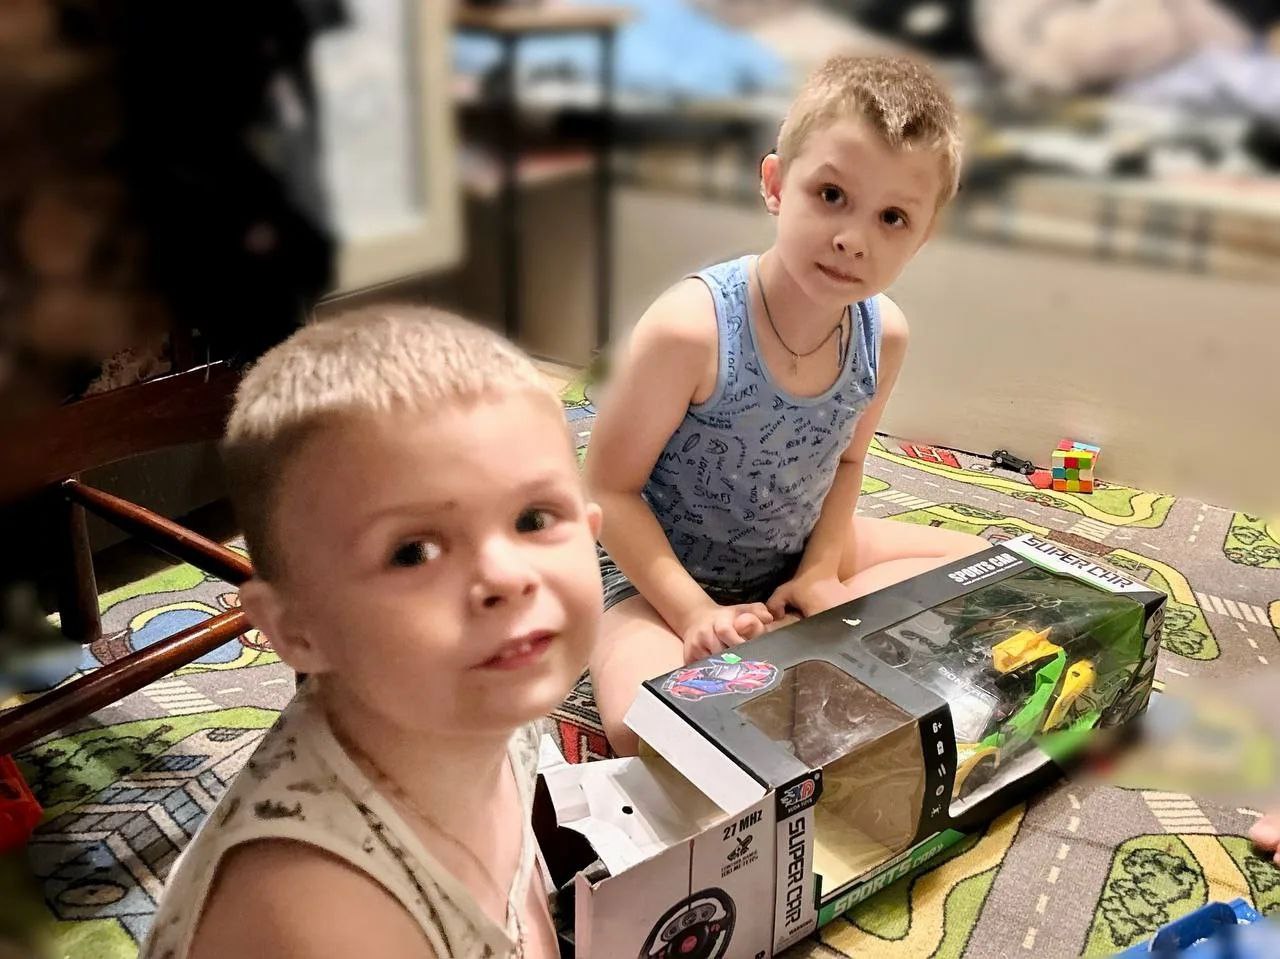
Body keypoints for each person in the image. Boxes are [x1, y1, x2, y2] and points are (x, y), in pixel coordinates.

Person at [144, 306, 602, 958]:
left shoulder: (488, 697)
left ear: (592, 529)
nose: (507, 576)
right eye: (413, 552)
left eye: (533, 518)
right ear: (296, 629)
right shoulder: (327, 919)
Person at [585, 55, 988, 756]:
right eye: (831, 194)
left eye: (892, 217)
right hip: (655, 573)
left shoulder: (883, 335)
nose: (853, 239)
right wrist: (694, 613)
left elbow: (849, 462)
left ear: (921, 236)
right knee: (643, 728)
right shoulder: (692, 329)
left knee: (985, 573)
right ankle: (776, 640)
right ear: (776, 184)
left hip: (794, 549)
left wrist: (821, 571)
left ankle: (791, 618)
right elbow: (606, 491)